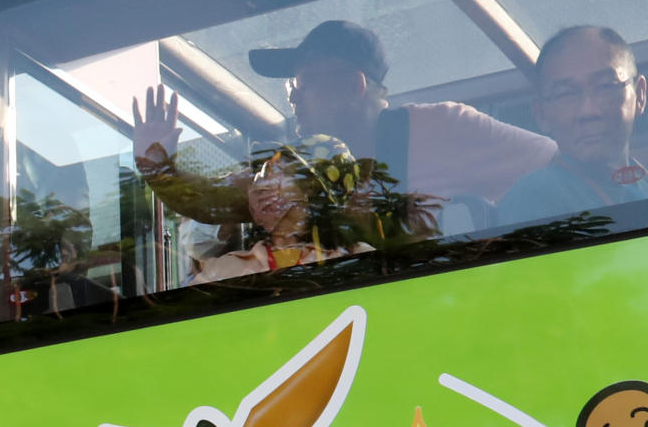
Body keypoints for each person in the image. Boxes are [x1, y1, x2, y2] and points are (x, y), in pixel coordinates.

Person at [129, 18, 557, 261]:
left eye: (305, 80)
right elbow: (199, 226)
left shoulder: (445, 127)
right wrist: (160, 168)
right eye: (292, 86)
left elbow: (556, 165)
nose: (294, 96)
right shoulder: (289, 162)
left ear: (354, 86)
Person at [496, 25, 648, 224]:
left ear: (640, 96)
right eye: (566, 94)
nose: (588, 111)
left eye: (604, 87)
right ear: (541, 114)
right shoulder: (534, 198)